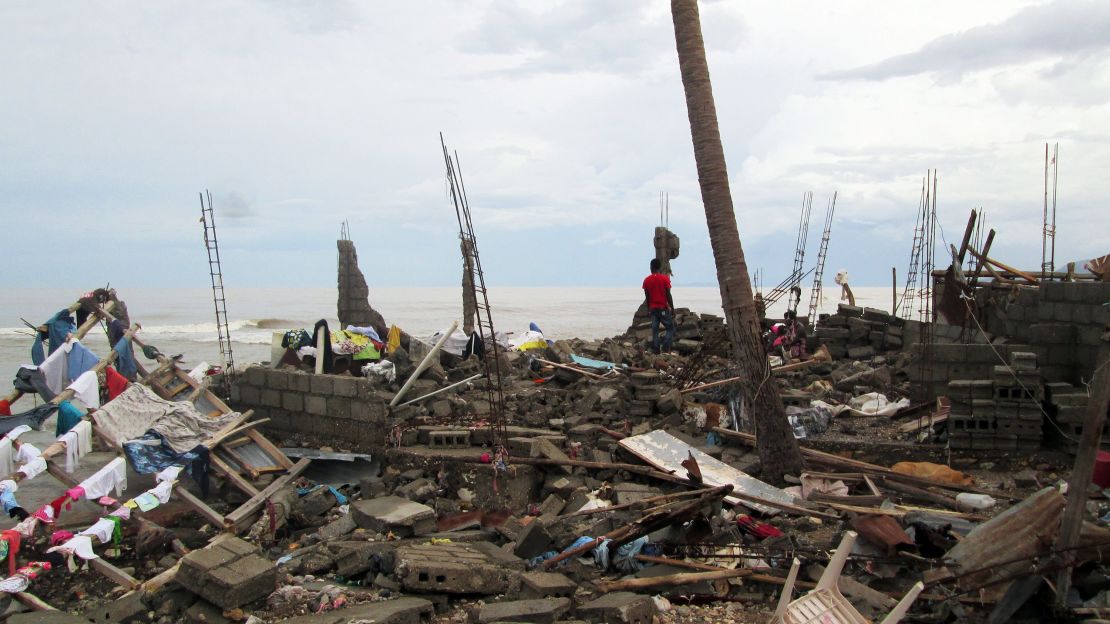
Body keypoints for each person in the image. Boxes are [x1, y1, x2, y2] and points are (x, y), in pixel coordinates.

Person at [643, 258, 675, 353]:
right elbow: (668, 295)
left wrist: (649, 309)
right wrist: (672, 308)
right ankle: (665, 344)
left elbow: (647, 297)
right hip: (663, 309)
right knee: (670, 328)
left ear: (651, 267)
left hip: (653, 309)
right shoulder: (664, 279)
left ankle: (656, 349)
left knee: (655, 330)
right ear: (659, 267)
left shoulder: (646, 280)